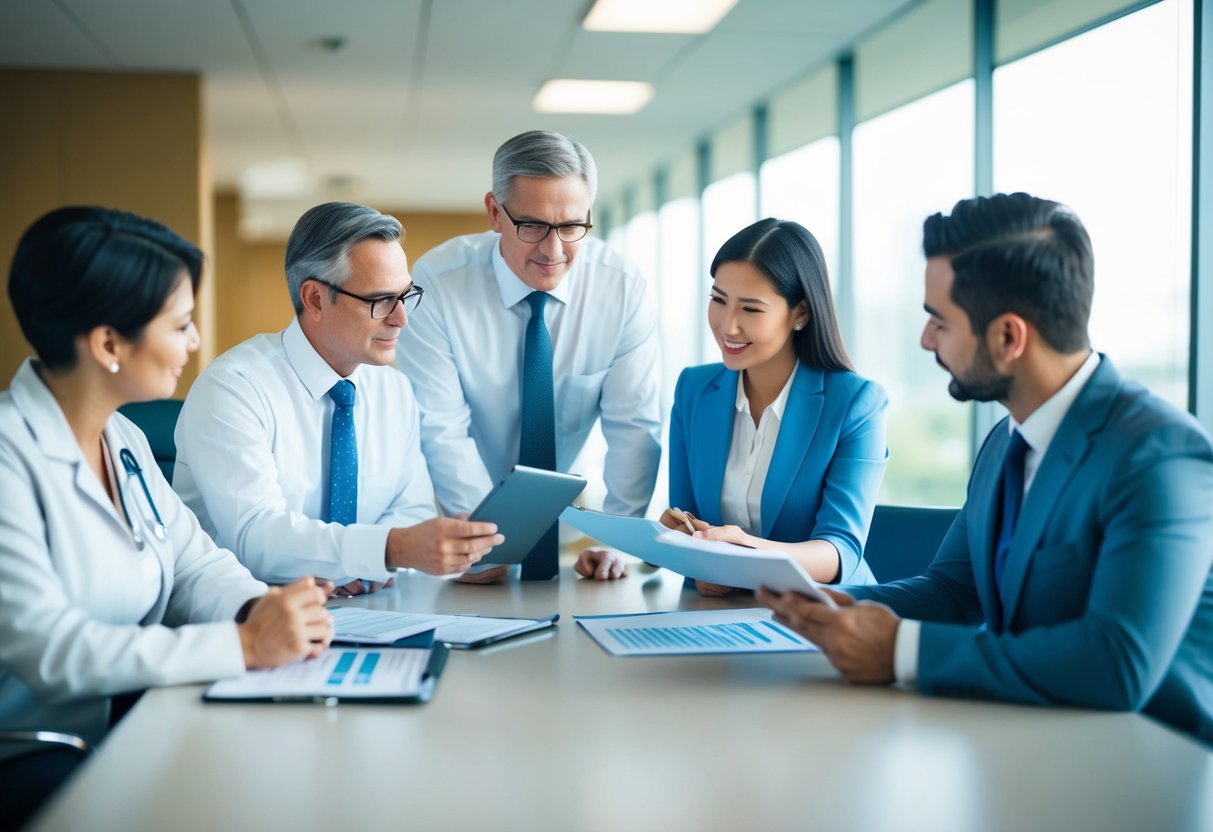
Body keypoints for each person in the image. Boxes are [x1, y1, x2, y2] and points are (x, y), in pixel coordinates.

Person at [759, 193, 1213, 745]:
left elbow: (1117, 663)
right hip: (1025, 740)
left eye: (939, 321)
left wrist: (901, 651)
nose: (926, 339)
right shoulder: (1005, 441)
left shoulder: (1159, 456)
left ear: (1008, 337)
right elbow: (954, 591)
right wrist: (826, 605)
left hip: (1145, 765)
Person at [0, 207, 333, 824]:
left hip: (126, 722)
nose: (196, 341)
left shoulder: (120, 435)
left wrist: (257, 609)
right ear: (107, 344)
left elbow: (191, 562)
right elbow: (51, 649)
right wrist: (241, 644)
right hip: (32, 755)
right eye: (180, 324)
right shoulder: (7, 456)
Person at [174, 202, 502, 595]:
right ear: (313, 299)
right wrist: (383, 550)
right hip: (247, 618)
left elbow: (409, 508)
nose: (402, 319)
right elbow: (257, 536)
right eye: (380, 301)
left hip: (369, 613)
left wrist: (360, 564)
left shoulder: (394, 390)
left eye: (406, 296)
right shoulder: (234, 389)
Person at [397, 130, 661, 582]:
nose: (553, 251)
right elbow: (440, 427)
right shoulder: (438, 282)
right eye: (533, 225)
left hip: (566, 522)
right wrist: (483, 540)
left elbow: (634, 427)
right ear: (494, 213)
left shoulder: (620, 287)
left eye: (572, 226)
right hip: (460, 521)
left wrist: (615, 540)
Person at [636, 218, 887, 592]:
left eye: (751, 310)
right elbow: (686, 516)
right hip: (715, 610)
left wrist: (742, 554)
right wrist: (682, 537)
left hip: (824, 615)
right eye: (719, 300)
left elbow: (840, 551)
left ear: (800, 313)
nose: (728, 325)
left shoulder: (855, 403)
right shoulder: (693, 390)